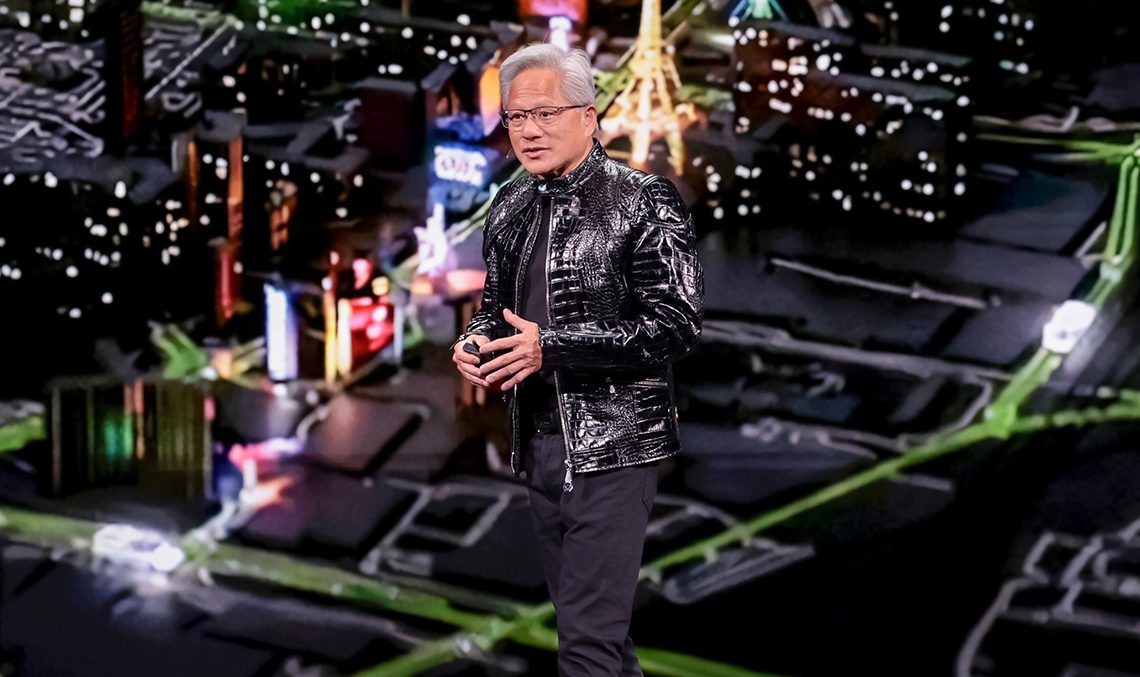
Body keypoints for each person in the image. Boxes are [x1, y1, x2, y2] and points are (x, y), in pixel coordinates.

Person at [450, 43, 704, 676]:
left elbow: (675, 325)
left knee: (586, 647)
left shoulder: (643, 200)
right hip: (539, 444)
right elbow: (495, 307)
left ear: (589, 117)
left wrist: (552, 347)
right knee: (598, 638)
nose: (529, 130)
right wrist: (475, 342)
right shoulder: (510, 204)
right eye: (516, 117)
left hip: (614, 448)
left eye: (546, 113)